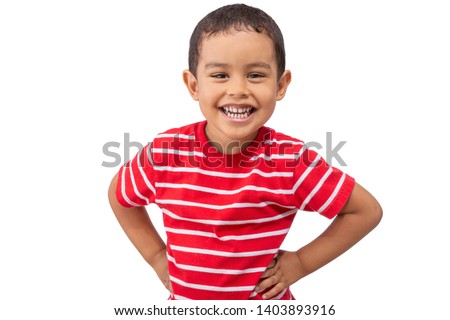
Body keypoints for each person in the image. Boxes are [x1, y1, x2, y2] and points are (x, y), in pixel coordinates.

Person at [108, 3, 382, 300]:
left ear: (280, 85)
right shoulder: (165, 153)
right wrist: (156, 256)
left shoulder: (291, 162)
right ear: (193, 85)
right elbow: (121, 196)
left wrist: (300, 263)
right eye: (220, 75)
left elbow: (365, 211)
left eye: (254, 75)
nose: (238, 89)